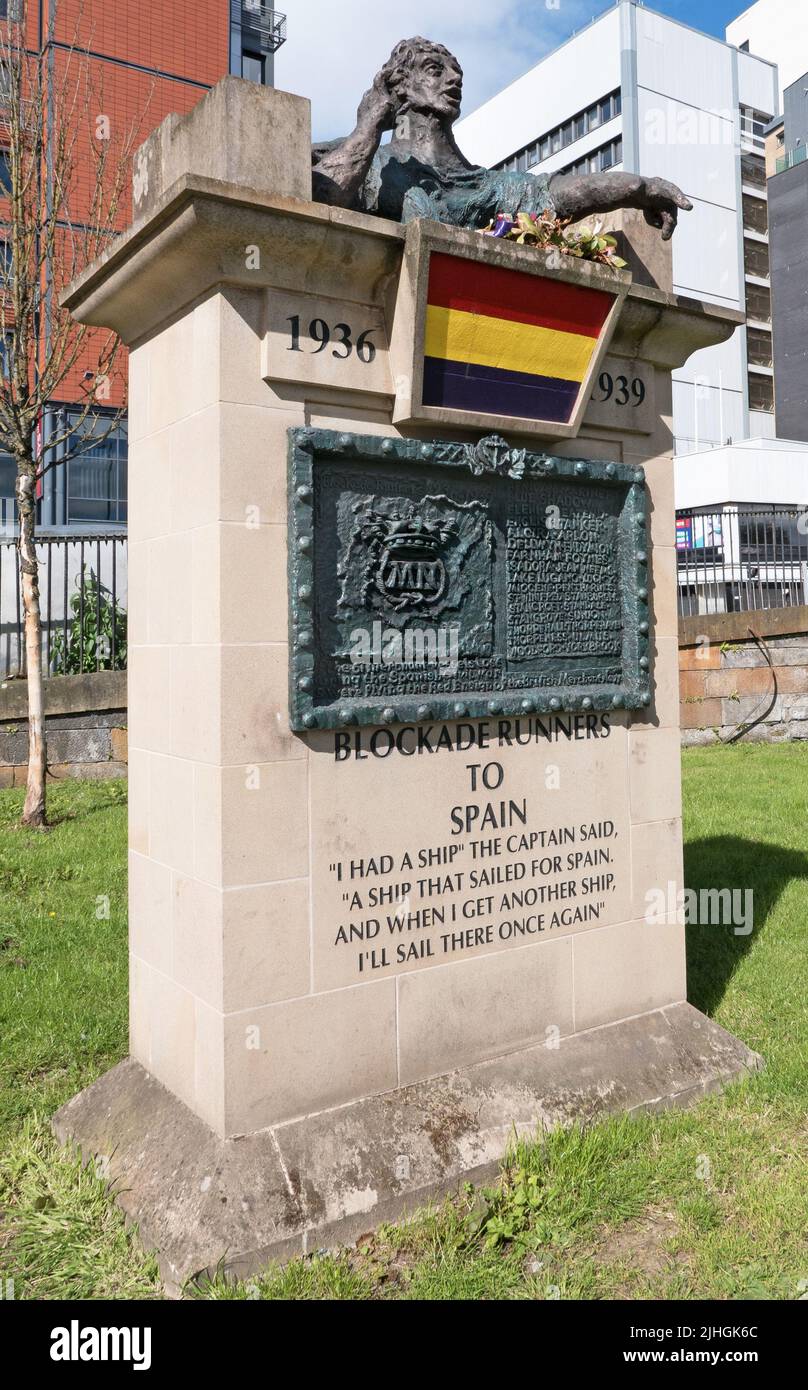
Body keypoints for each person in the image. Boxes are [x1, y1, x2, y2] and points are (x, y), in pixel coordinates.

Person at [312, 37, 692, 237]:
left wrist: (639, 187)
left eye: (456, 72)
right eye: (434, 70)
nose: (453, 79)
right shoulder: (370, 160)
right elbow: (324, 198)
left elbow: (559, 193)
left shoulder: (487, 186)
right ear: (402, 85)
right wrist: (369, 125)